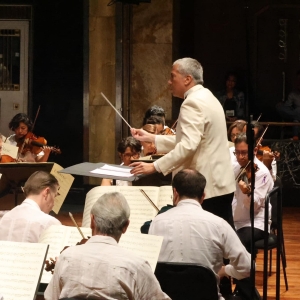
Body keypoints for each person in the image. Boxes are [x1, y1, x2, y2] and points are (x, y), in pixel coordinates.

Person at [130, 57, 236, 227]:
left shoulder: (191, 103)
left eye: (173, 76)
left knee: (207, 246)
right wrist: (152, 138)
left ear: (187, 79)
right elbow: (194, 140)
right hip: (220, 185)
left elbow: (187, 146)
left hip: (206, 188)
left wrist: (154, 166)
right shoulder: (208, 96)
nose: (169, 81)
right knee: (221, 242)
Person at [44, 192, 171, 300]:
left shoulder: (66, 257)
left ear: (92, 221)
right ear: (126, 226)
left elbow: (51, 298)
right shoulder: (137, 266)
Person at [149, 169, 251, 300]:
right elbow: (247, 267)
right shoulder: (219, 224)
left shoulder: (156, 223)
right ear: (203, 196)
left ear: (175, 192)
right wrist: (226, 270)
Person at [232, 133, 274, 253]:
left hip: (255, 223)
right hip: (236, 219)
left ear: (255, 150)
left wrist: (247, 192)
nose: (240, 157)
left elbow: (254, 207)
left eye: (244, 152)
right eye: (237, 152)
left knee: (235, 243)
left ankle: (244, 269)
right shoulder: (235, 168)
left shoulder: (262, 173)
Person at [0, 171, 61, 243]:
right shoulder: (50, 223)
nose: (53, 204)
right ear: (46, 192)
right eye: (54, 196)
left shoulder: (4, 218)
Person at [276, 70, 300, 140]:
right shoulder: (293, 94)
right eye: (298, 80)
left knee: (298, 111)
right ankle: (296, 137)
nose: (299, 82)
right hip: (296, 115)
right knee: (295, 120)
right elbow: (287, 108)